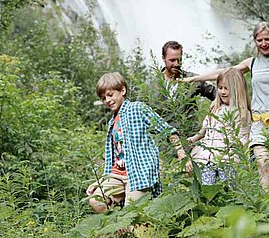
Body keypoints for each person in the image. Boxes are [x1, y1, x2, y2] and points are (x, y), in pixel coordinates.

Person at [185, 22, 269, 189]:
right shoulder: (252, 63)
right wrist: (192, 79)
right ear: (255, 41)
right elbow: (223, 73)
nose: (264, 44)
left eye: (267, 39)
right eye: (259, 40)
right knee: (264, 164)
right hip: (259, 122)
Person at [86, 72, 189, 213]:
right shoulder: (112, 122)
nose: (107, 100)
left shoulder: (138, 109)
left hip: (138, 175)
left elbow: (168, 130)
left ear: (122, 90)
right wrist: (101, 181)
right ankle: (116, 230)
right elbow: (116, 156)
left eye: (110, 95)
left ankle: (131, 228)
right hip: (117, 174)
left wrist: (182, 154)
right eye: (104, 98)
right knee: (95, 200)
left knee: (131, 215)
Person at [187, 68, 251, 185]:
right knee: (207, 188)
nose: (222, 92)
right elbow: (204, 131)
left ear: (236, 89)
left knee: (229, 189)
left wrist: (240, 147)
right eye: (220, 88)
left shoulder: (241, 112)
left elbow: (244, 137)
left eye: (226, 88)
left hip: (227, 159)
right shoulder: (215, 108)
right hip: (207, 158)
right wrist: (193, 139)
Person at [155, 41, 216, 135]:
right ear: (163, 58)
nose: (177, 64)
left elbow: (218, 93)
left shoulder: (192, 79)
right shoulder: (151, 86)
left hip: (191, 139)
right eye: (172, 60)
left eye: (179, 60)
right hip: (164, 143)